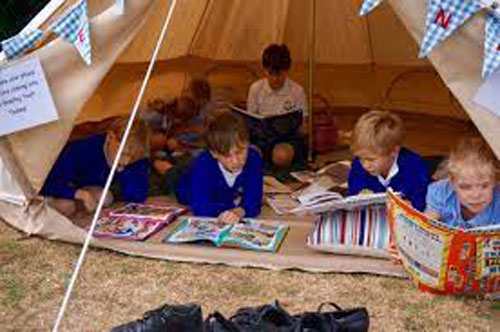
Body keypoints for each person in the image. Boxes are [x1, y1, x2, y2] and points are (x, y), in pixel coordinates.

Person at [41, 117, 148, 217]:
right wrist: (79, 194)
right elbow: (49, 183)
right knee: (66, 206)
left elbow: (137, 195)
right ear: (110, 137)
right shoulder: (82, 150)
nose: (127, 161)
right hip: (61, 187)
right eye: (123, 153)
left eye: (132, 157)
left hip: (88, 187)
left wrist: (123, 171)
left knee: (105, 197)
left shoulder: (133, 154)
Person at [176, 110, 263, 223]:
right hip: (183, 182)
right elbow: (201, 207)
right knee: (173, 172)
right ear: (214, 153)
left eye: (240, 152)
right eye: (226, 156)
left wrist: (240, 211)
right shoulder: (203, 163)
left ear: (247, 143)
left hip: (220, 188)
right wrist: (234, 207)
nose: (235, 161)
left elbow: (255, 201)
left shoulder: (253, 157)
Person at [347, 110, 430, 212]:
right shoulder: (358, 166)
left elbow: (421, 201)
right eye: (360, 158)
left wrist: (409, 206)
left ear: (394, 151)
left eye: (371, 159)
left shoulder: (415, 167)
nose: (365, 165)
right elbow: (353, 194)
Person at [246, 43, 308, 170]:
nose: (275, 79)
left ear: (287, 70)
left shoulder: (297, 91)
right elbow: (250, 120)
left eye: (279, 74)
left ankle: (274, 159)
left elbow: (304, 126)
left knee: (281, 156)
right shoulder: (256, 88)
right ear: (264, 69)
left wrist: (293, 126)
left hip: (286, 140)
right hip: (261, 139)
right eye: (270, 73)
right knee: (250, 156)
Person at [425, 136, 500, 229]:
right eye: (465, 187)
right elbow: (427, 224)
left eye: (484, 186)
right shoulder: (440, 192)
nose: (476, 195)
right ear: (452, 183)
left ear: (495, 182)